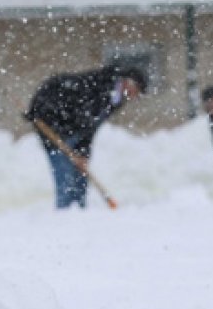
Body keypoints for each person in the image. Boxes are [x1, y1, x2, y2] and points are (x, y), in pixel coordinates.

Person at [24, 64, 146, 209]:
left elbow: (91, 125)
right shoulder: (102, 85)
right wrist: (81, 150)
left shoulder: (116, 98)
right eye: (136, 92)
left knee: (80, 177)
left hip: (74, 128)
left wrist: (83, 153)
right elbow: (85, 119)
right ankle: (65, 214)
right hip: (52, 123)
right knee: (66, 177)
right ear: (129, 83)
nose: (134, 97)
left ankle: (80, 213)